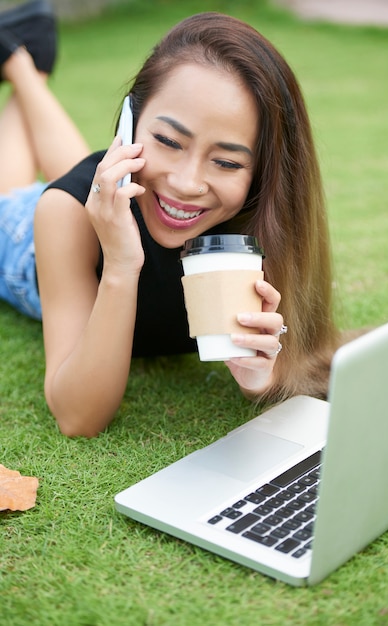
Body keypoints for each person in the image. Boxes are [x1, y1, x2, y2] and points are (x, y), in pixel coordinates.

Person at [1, 7, 340, 438]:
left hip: (121, 192)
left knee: (87, 175)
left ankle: (21, 57)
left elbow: (294, 358)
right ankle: (22, 64)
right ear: (131, 122)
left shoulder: (264, 223)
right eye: (166, 140)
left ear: (263, 173)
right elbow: (77, 418)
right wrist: (121, 267)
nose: (186, 183)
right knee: (11, 200)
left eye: (226, 161)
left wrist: (263, 379)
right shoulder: (66, 215)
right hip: (26, 246)